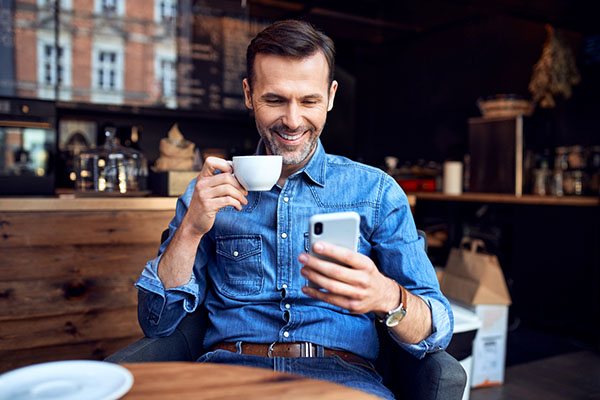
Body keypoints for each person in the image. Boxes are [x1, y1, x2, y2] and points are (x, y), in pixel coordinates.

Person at [135, 19, 453, 400]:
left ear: (331, 96)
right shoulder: (208, 193)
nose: (292, 120)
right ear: (249, 94)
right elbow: (156, 321)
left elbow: (438, 328)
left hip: (341, 379)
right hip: (230, 376)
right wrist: (190, 230)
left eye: (309, 101)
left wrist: (386, 296)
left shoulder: (377, 192)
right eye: (275, 100)